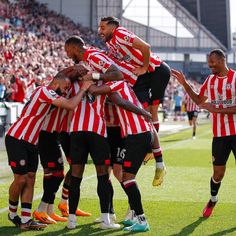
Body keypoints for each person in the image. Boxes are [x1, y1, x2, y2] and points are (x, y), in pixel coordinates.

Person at [5, 72, 92, 230]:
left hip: (32, 142)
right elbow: (70, 105)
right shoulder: (45, 91)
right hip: (17, 138)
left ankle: (25, 220)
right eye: (65, 88)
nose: (66, 92)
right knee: (21, 179)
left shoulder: (49, 94)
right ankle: (12, 213)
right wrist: (83, 88)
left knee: (31, 178)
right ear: (56, 84)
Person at [98, 16, 170, 185]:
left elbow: (146, 47)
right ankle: (155, 156)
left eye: (102, 27)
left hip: (157, 70)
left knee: (151, 112)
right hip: (142, 78)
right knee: (145, 114)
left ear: (113, 27)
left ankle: (157, 158)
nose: (100, 31)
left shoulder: (121, 34)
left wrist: (144, 67)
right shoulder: (109, 43)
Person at [171, 49, 236, 218]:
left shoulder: (235, 78)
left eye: (213, 61)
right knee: (218, 173)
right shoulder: (210, 80)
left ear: (222, 60)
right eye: (209, 62)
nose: (209, 65)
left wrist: (216, 109)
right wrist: (185, 84)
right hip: (220, 135)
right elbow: (200, 101)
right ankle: (213, 199)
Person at [89, 80, 153, 232]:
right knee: (123, 177)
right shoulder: (123, 86)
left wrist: (88, 82)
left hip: (134, 135)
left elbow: (121, 102)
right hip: (132, 135)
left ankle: (139, 218)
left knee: (126, 177)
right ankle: (132, 216)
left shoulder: (116, 85)